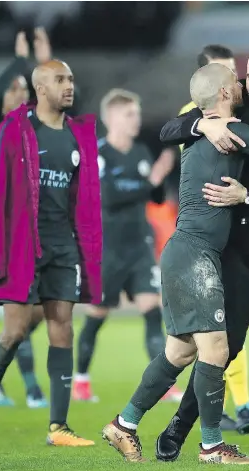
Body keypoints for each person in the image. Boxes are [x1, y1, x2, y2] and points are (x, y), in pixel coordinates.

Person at [101, 62, 249, 464]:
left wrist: (202, 125)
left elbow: (177, 126)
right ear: (224, 94)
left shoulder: (206, 128)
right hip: (196, 254)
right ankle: (212, 446)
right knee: (216, 348)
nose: (244, 86)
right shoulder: (230, 127)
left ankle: (124, 424)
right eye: (237, 83)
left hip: (186, 250)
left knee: (180, 352)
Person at [0, 59, 102, 446]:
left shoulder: (79, 136)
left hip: (63, 245)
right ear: (40, 88)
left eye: (72, 79)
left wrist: (86, 247)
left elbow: (85, 198)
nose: (69, 86)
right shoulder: (14, 130)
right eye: (60, 79)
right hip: (22, 247)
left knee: (62, 329)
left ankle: (57, 426)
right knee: (15, 331)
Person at [72, 88, 180, 403]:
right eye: (130, 114)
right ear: (111, 118)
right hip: (107, 250)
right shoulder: (98, 154)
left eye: (137, 113)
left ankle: (161, 385)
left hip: (139, 247)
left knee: (151, 311)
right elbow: (109, 198)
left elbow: (156, 199)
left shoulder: (141, 153)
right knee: (98, 313)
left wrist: (158, 182)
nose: (137, 120)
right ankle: (81, 381)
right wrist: (149, 183)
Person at [0, 28, 57, 410]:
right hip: (10, 241)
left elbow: (57, 106)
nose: (22, 95)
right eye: (15, 91)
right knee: (18, 325)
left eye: (26, 89)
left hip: (42, 237)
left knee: (36, 317)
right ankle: (24, 387)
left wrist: (44, 62)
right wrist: (21, 60)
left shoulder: (37, 130)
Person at [176, 43, 249, 434]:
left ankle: (235, 407)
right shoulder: (196, 117)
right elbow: (169, 129)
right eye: (225, 73)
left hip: (231, 239)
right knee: (208, 342)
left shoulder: (243, 111)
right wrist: (203, 124)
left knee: (220, 337)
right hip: (202, 240)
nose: (236, 81)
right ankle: (212, 430)